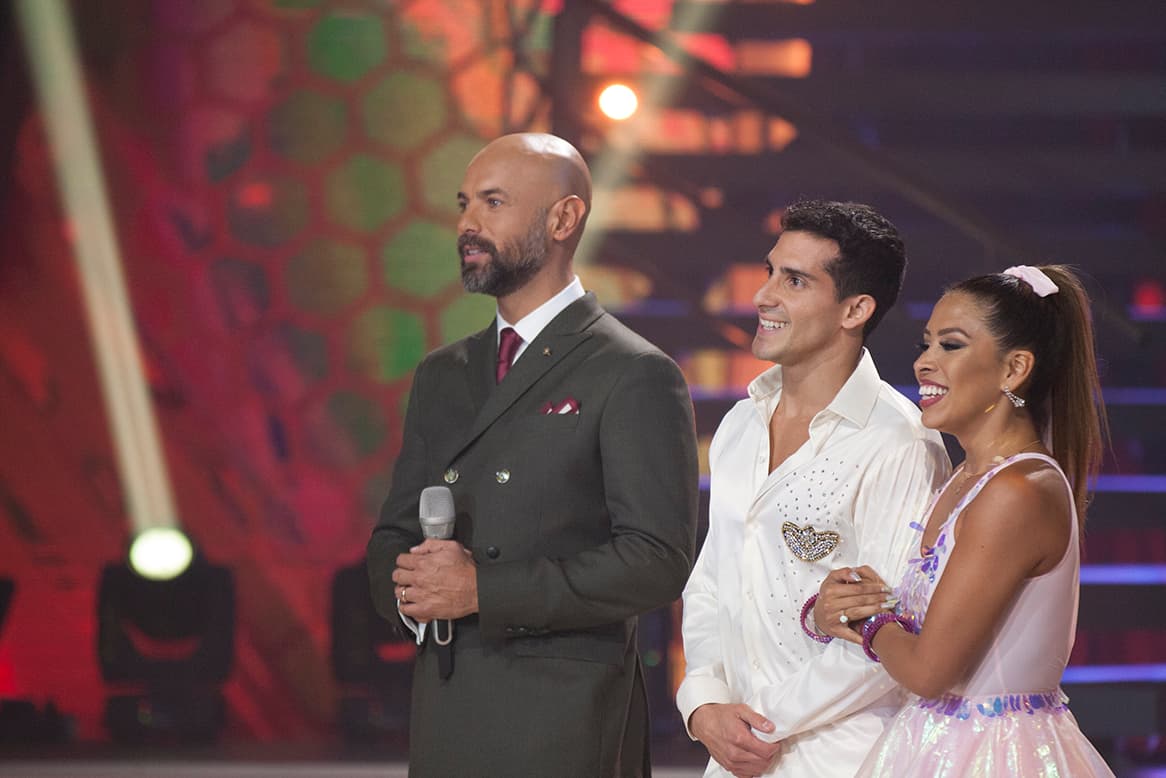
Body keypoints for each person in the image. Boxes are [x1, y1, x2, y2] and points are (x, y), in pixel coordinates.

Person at [366, 132, 700, 777]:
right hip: (448, 705)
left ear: (564, 218)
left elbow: (656, 561)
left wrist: (482, 590)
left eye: (493, 203)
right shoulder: (444, 373)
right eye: (464, 203)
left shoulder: (632, 370)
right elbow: (393, 534)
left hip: (564, 720)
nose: (467, 223)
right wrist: (412, 589)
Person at [676, 200, 951, 777]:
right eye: (771, 271)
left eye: (794, 280)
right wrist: (702, 704)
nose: (763, 295)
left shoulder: (898, 443)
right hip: (736, 752)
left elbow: (895, 635)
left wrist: (755, 718)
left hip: (846, 758)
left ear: (855, 309)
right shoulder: (741, 423)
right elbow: (710, 583)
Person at [814, 264, 1114, 776]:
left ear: (1013, 369)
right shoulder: (964, 478)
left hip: (998, 754)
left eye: (950, 346)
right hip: (929, 741)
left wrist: (863, 620)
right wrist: (836, 610)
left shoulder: (1017, 492)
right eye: (925, 344)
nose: (924, 363)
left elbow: (930, 672)